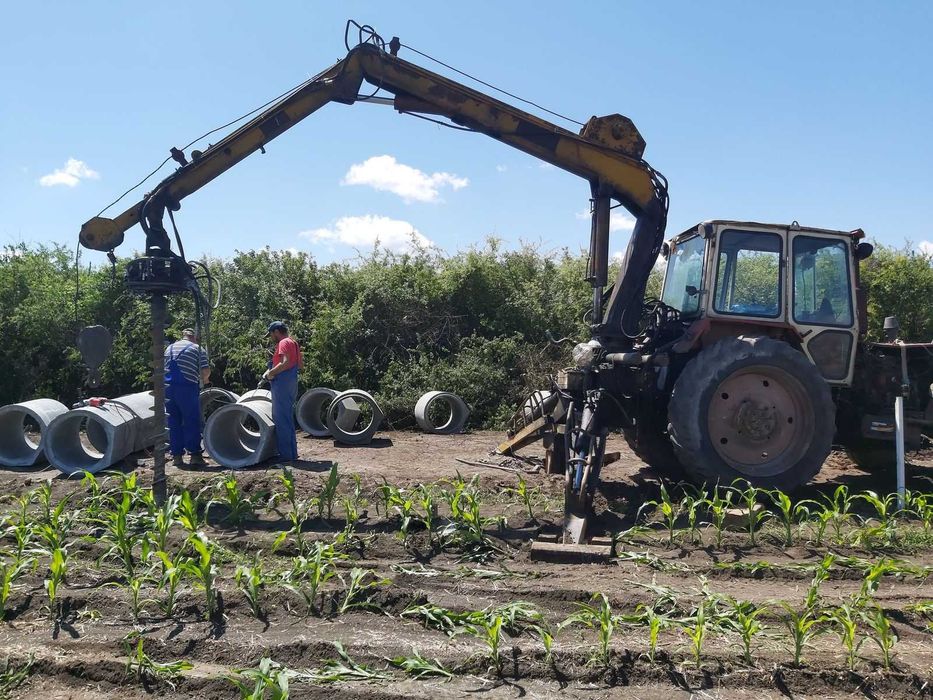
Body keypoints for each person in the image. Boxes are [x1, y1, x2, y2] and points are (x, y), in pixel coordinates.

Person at [164, 328, 210, 467]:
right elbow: (205, 371)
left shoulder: (169, 348)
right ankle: (195, 456)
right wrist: (205, 380)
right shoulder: (197, 348)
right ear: (195, 337)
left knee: (173, 422)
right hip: (186, 387)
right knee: (191, 420)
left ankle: (177, 457)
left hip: (167, 389)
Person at [263, 321, 302, 462]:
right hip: (291, 382)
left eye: (271, 334)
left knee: (281, 419)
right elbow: (300, 364)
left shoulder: (284, 342)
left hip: (282, 384)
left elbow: (285, 362)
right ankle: (292, 453)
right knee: (287, 418)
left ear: (276, 332)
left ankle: (286, 456)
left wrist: (270, 373)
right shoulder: (294, 343)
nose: (271, 337)